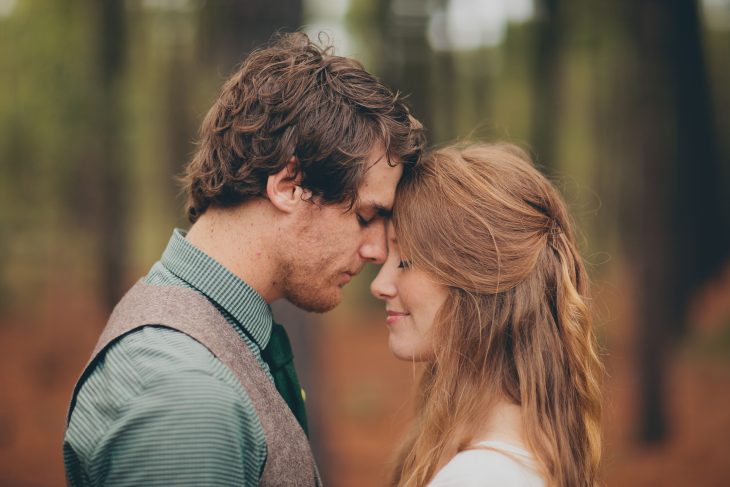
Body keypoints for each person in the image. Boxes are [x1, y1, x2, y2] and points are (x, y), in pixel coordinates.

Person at [63, 32, 424, 486]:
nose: (377, 250)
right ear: (289, 185)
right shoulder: (183, 392)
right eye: (367, 215)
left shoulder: (206, 335)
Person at [371, 143, 603, 487]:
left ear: (477, 276)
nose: (379, 285)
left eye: (405, 260)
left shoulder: (478, 477)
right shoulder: (530, 457)